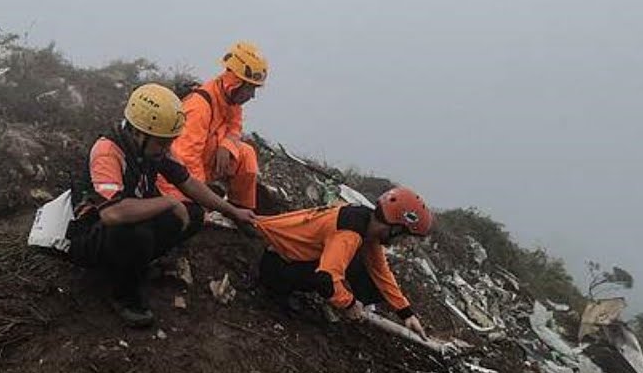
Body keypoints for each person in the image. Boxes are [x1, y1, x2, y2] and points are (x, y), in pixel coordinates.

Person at [68, 83, 257, 327]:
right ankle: (123, 295)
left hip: (126, 221)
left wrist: (233, 212)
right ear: (139, 133)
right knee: (138, 234)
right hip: (91, 234)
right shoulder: (107, 151)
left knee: (193, 215)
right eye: (162, 143)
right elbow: (113, 214)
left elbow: (188, 183)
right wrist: (167, 202)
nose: (167, 149)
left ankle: (136, 264)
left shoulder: (153, 148)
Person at [254, 186, 434, 337]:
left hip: (291, 257)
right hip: (277, 265)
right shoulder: (349, 234)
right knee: (346, 268)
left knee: (368, 274)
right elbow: (325, 279)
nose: (401, 242)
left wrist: (406, 313)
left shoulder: (366, 223)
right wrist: (349, 303)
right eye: (403, 236)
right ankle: (276, 295)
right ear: (395, 228)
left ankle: (350, 306)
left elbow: (380, 271)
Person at [159, 41, 267, 211]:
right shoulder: (199, 107)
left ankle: (241, 211)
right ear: (236, 83)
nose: (252, 95)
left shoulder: (231, 101)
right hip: (175, 180)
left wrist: (227, 145)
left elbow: (235, 127)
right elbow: (185, 159)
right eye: (250, 88)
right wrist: (203, 197)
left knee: (246, 155)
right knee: (191, 213)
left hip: (204, 164)